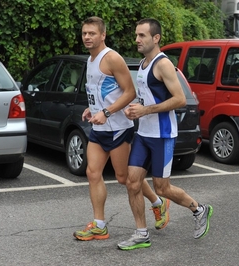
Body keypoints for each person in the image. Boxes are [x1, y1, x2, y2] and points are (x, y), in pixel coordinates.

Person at [117, 18, 213, 251]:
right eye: (137, 35)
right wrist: (134, 110)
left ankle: (199, 209)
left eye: (142, 36)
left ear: (156, 38)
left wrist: (146, 110)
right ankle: (141, 233)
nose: (137, 39)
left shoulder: (163, 65)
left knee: (162, 188)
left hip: (162, 134)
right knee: (132, 183)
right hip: (143, 133)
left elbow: (179, 99)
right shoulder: (142, 64)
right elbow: (145, 98)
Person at [73, 16, 170, 241]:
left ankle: (158, 203)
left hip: (118, 128)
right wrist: (92, 108)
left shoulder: (112, 58)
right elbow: (102, 91)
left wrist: (106, 112)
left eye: (92, 33)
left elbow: (129, 92)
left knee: (124, 178)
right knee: (92, 173)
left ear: (103, 35)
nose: (87, 37)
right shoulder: (90, 60)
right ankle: (99, 225)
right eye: (84, 33)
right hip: (99, 129)